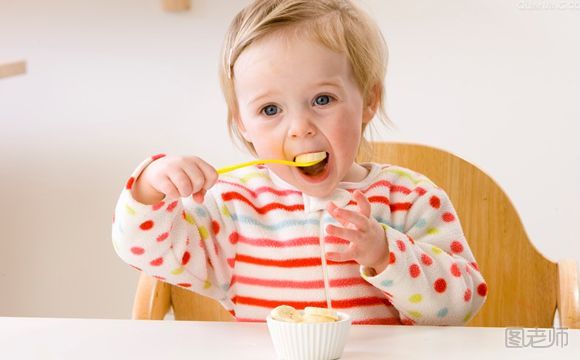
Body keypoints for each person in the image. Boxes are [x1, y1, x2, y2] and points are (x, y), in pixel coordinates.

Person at [112, 0, 487, 325]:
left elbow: (462, 304)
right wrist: (150, 186)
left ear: (369, 101)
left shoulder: (411, 199)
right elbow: (142, 249)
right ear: (243, 123)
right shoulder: (235, 210)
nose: (300, 129)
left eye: (322, 100)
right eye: (270, 109)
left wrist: (384, 253)